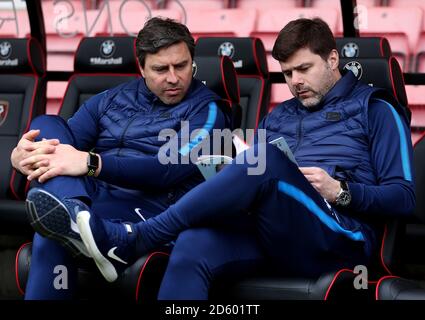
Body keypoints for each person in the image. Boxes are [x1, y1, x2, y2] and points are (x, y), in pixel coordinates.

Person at [25, 17, 416, 300]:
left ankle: (137, 238)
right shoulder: (279, 115)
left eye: (304, 69)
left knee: (261, 160)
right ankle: (85, 217)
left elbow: (403, 196)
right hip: (270, 227)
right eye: (287, 73)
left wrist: (340, 191)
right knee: (194, 244)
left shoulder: (377, 108)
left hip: (337, 231)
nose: (295, 81)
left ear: (333, 60)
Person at [10, 17, 231, 300]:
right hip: (94, 202)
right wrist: (20, 156)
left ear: (192, 61)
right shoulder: (111, 99)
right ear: (141, 67)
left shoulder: (209, 111)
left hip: (150, 213)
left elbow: (167, 168)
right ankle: (76, 214)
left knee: (53, 233)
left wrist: (92, 163)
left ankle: (76, 219)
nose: (174, 78)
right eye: (161, 69)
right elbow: (59, 144)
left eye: (182, 65)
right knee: (46, 124)